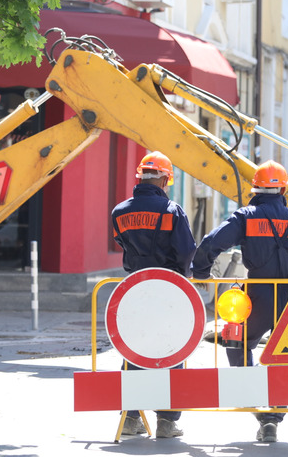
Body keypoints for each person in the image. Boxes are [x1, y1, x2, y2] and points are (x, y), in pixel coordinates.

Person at [192, 160, 288, 443]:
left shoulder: (246, 217)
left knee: (237, 341)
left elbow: (211, 242)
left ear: (256, 189)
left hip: (259, 295)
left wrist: (201, 273)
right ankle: (273, 417)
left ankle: (251, 393)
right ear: (284, 189)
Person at [110, 151, 197, 439]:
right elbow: (186, 251)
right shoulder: (172, 211)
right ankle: (166, 422)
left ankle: (130, 419)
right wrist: (182, 276)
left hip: (135, 288)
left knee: (134, 348)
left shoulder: (120, 212)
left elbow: (123, 243)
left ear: (140, 177)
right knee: (172, 349)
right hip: (169, 288)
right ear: (164, 178)